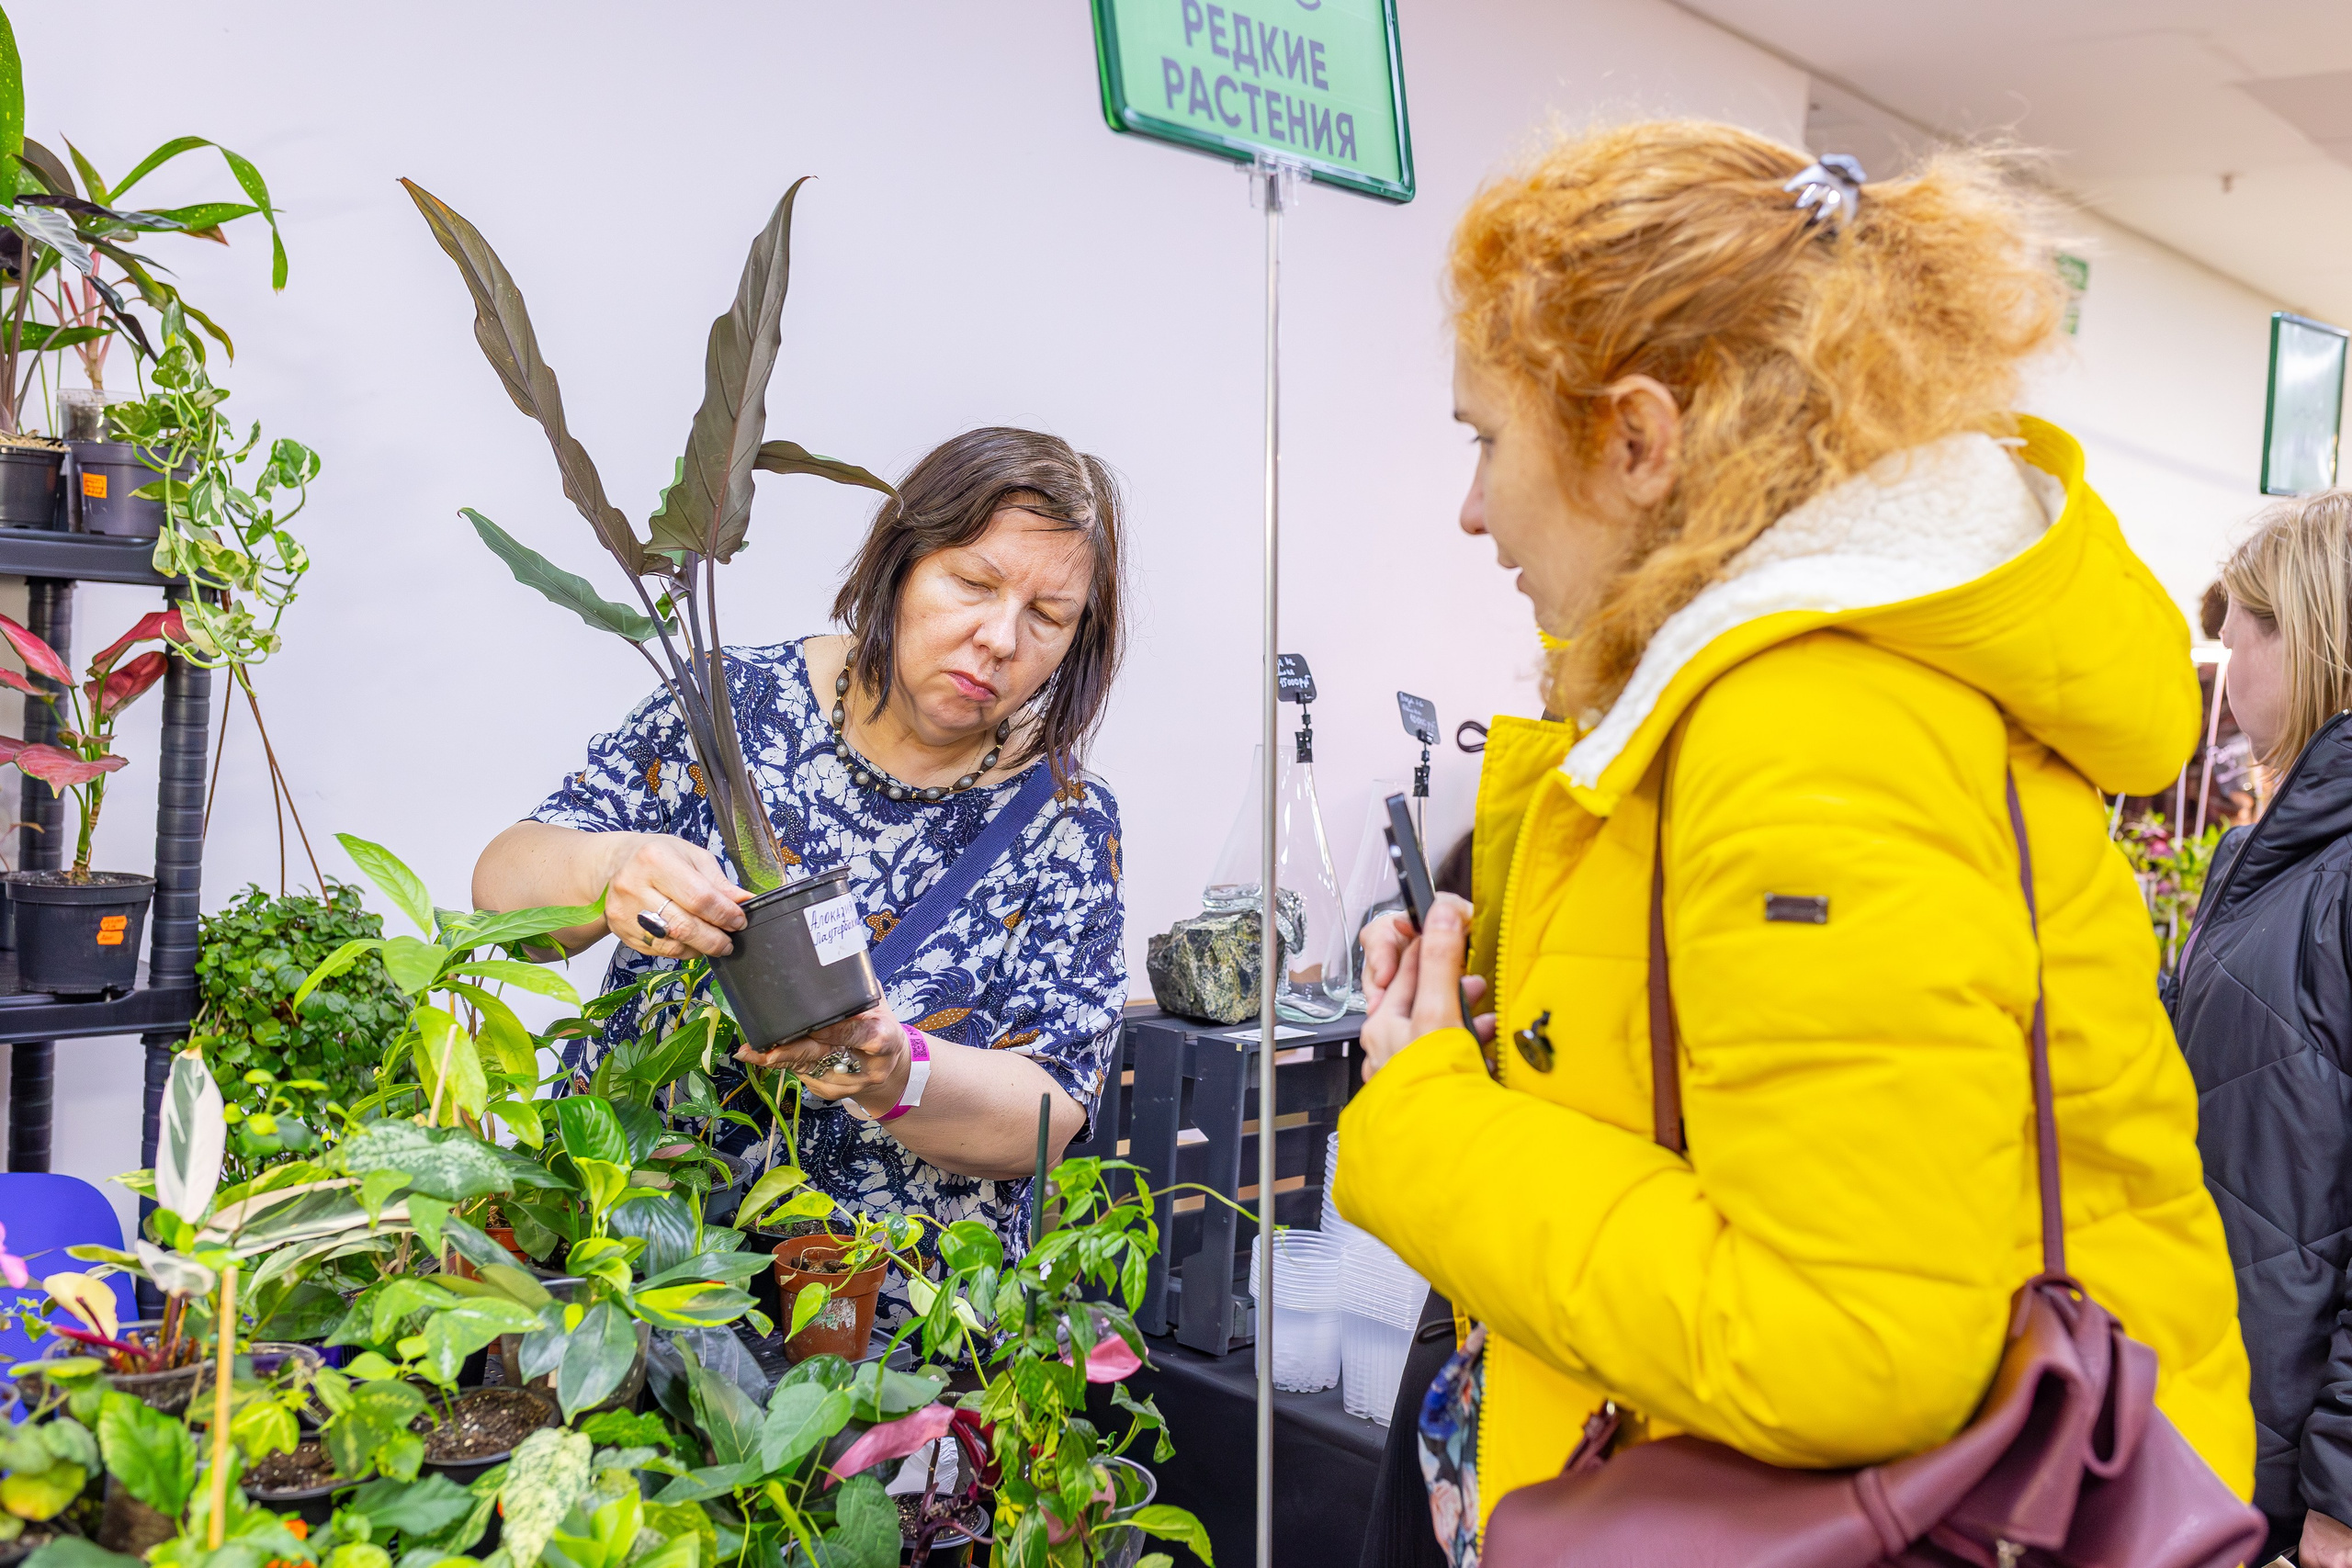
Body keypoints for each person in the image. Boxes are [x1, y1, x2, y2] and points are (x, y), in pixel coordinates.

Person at [1334, 120, 2254, 1567]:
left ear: (1638, 439)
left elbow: (1851, 1339)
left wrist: (1432, 1113)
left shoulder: (1811, 719)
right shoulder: (1829, 681)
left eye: (1486, 438)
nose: (1470, 507)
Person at [473, 426, 1129, 1299]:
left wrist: (900, 1072)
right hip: (625, 1282)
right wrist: (613, 865)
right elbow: (502, 890)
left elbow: (1047, 1114)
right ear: (900, 563)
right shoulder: (730, 709)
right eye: (973, 582)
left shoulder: (1066, 820)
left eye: (1048, 616)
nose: (1001, 638)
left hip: (884, 1333)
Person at [2172, 490, 2352, 1566]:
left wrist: (2341, 1499)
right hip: (2220, 1423)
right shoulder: (2262, 858)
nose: (2223, 662)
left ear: (2309, 634)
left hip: (2301, 1496)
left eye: (2236, 631)